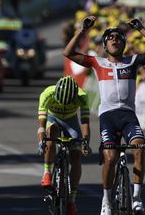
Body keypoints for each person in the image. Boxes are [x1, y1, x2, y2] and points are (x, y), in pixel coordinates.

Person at [63, 15, 145, 215]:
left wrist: (141, 29)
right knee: (110, 158)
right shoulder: (98, 63)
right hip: (108, 116)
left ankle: (136, 198)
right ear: (105, 45)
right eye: (111, 38)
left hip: (128, 116)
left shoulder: (133, 61)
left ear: (124, 44)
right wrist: (83, 29)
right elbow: (68, 52)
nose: (115, 40)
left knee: (139, 149)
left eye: (119, 38)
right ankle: (106, 201)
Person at [36, 75, 91, 215]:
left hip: (71, 120)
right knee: (51, 133)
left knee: (76, 157)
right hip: (53, 118)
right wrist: (41, 141)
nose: (64, 105)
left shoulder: (82, 96)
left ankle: (72, 200)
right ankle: (47, 172)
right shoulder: (47, 94)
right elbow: (41, 125)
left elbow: (85, 122)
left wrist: (85, 142)